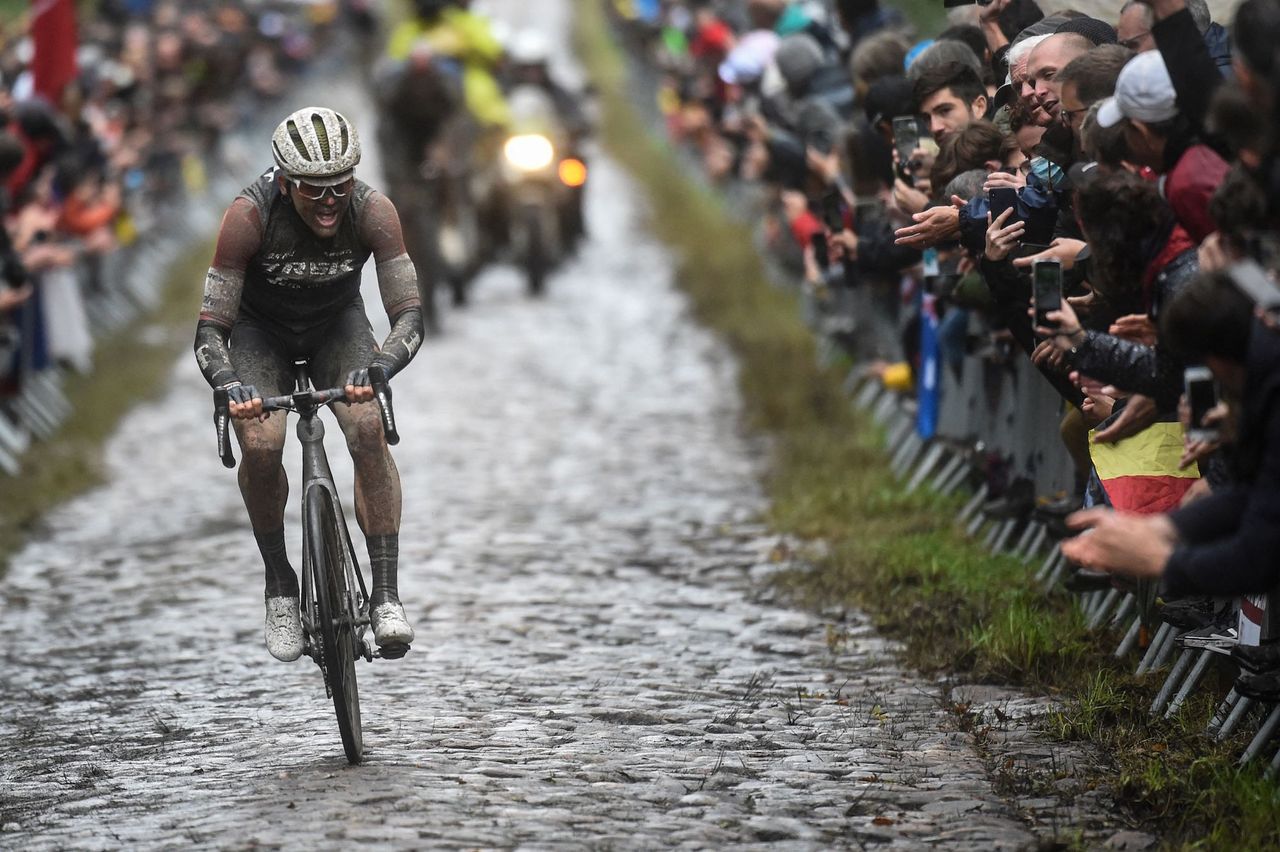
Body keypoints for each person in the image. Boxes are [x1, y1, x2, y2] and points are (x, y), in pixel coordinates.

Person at [194, 107, 425, 661]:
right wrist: (229, 384)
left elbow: (410, 316)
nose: (329, 201)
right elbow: (210, 330)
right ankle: (279, 584)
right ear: (285, 181)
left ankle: (387, 595)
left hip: (335, 327)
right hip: (259, 335)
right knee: (262, 443)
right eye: (314, 189)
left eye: (340, 187)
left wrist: (381, 367)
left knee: (368, 429)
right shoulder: (249, 217)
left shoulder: (374, 212)